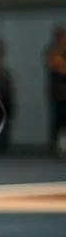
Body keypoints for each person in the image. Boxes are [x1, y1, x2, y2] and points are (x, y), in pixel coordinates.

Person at [48, 26, 66, 158]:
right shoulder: (53, 52)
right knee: (57, 124)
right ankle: (55, 148)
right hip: (58, 96)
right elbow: (56, 67)